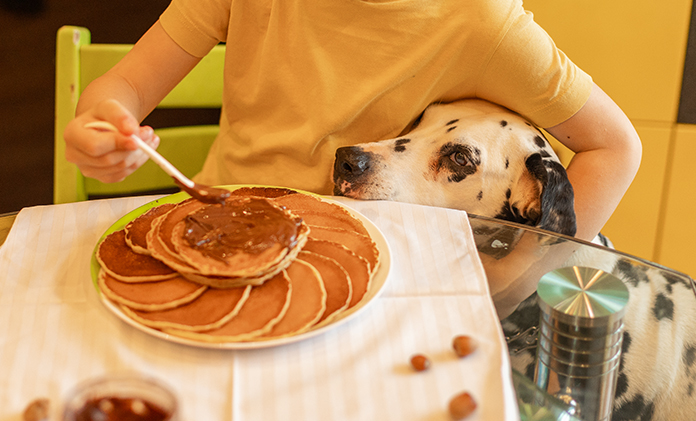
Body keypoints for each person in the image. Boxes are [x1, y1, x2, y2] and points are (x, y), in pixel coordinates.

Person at [63, 0, 641, 244]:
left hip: (388, 270)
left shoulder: (482, 23)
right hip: (225, 227)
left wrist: (512, 279)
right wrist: (102, 119)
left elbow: (614, 148)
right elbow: (128, 86)